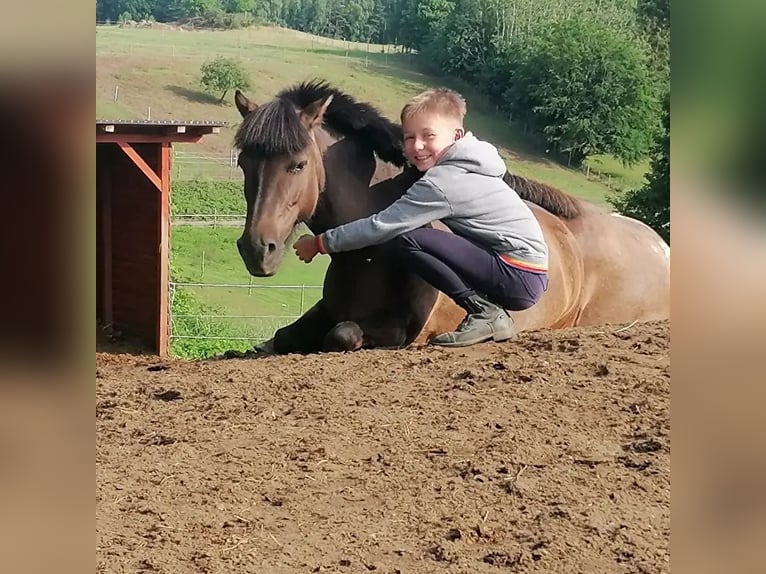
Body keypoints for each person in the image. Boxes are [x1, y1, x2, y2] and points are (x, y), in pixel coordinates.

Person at [293, 87, 549, 347]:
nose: (417, 146)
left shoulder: (443, 181)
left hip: (515, 273)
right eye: (409, 137)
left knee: (408, 239)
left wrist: (321, 243)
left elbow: (382, 225)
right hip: (527, 270)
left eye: (429, 136)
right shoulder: (472, 163)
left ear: (456, 136)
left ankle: (485, 312)